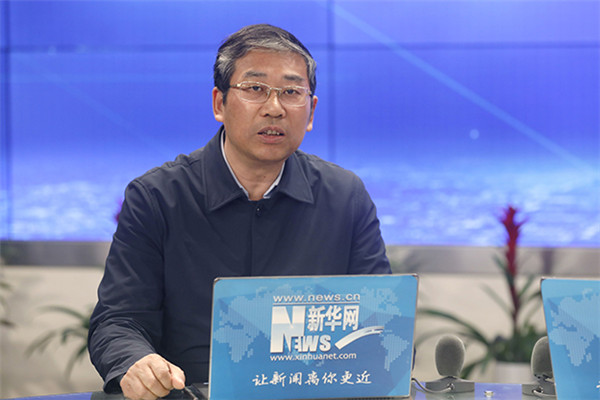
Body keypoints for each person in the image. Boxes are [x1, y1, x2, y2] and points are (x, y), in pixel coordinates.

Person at [88, 23, 391, 400]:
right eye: (255, 89)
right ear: (219, 104)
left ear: (311, 111)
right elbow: (118, 320)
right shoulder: (157, 198)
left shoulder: (345, 197)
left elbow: (382, 325)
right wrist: (138, 362)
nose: (274, 108)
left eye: (291, 92)